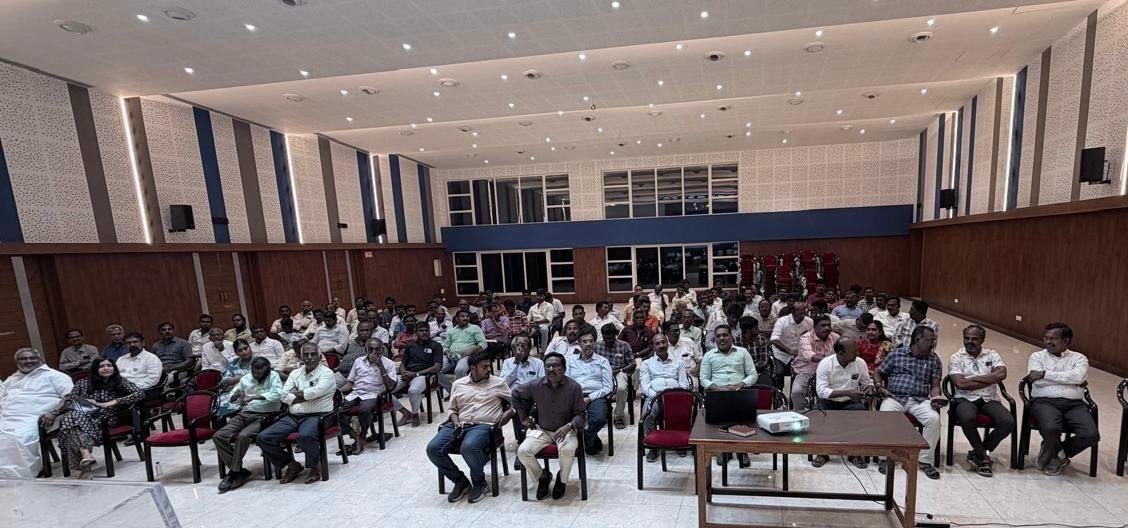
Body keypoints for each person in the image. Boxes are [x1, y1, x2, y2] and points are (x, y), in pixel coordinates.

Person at [427, 350, 514, 503]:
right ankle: (460, 481)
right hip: (459, 424)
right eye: (484, 367)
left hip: (484, 426)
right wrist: (455, 422)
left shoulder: (498, 383)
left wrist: (510, 412)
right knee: (433, 449)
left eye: (489, 366)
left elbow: (516, 402)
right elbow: (452, 409)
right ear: (473, 368)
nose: (489, 369)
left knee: (468, 447)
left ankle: (479, 483)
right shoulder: (458, 384)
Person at [256, 343, 336, 484]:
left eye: (313, 354)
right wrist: (305, 395)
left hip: (318, 415)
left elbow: (316, 392)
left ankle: (314, 467)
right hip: (293, 416)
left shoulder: (327, 373)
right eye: (306, 355)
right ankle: (292, 465)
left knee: (305, 436)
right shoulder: (295, 373)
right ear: (301, 357)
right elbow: (283, 395)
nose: (309, 357)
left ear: (319, 356)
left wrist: (297, 394)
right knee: (263, 437)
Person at [1026, 322, 1099, 476]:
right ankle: (1054, 456)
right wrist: (1070, 379)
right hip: (1045, 401)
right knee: (1051, 428)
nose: (1048, 342)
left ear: (1066, 341)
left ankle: (1057, 453)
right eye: (1046, 338)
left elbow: (1078, 377)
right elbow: (1037, 381)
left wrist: (1045, 374)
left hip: (1075, 404)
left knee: (1091, 435)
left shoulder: (1079, 358)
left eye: (1053, 338)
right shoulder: (1037, 357)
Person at [51, 358, 143, 479]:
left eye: (109, 365)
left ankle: (85, 465)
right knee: (73, 419)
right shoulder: (83, 383)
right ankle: (85, 454)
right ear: (95, 369)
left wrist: (113, 402)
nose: (106, 368)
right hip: (84, 414)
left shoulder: (120, 381)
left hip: (106, 417)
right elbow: (69, 400)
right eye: (102, 366)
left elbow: (140, 394)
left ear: (114, 368)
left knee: (70, 423)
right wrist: (86, 401)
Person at [513, 352, 587, 501]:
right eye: (548, 366)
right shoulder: (535, 385)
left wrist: (569, 426)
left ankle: (562, 480)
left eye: (555, 366)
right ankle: (543, 477)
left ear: (564, 369)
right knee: (523, 451)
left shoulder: (574, 387)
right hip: (543, 430)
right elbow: (515, 393)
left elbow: (581, 414)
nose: (551, 369)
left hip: (566, 431)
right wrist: (523, 418)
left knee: (567, 451)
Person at [876, 326, 944, 480]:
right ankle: (885, 458)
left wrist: (936, 397)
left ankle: (924, 460)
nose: (933, 343)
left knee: (934, 420)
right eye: (930, 340)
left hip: (920, 400)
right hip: (895, 397)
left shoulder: (933, 359)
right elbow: (879, 373)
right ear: (917, 339)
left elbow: (935, 385)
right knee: (885, 416)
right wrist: (879, 386)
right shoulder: (896, 354)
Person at [948, 325, 1014, 477]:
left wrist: (972, 379)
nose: (969, 342)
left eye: (974, 339)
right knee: (967, 417)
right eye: (967, 338)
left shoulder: (992, 354)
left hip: (989, 398)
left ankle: (978, 452)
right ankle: (983, 457)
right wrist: (990, 379)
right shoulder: (956, 357)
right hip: (965, 398)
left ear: (982, 340)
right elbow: (960, 384)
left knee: (1008, 422)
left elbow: (1002, 374)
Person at [0, 348, 74, 478]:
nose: (28, 361)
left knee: (18, 437)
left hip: (38, 418)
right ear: (17, 362)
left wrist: (55, 412)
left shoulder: (55, 376)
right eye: (24, 358)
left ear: (39, 359)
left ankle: (21, 474)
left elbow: (70, 396)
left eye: (32, 358)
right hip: (7, 416)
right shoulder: (12, 379)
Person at [213, 356, 282, 493]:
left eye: (260, 373)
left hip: (266, 415)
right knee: (218, 435)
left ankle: (233, 473)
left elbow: (278, 394)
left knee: (243, 436)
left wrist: (254, 396)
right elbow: (233, 395)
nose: (256, 376)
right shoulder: (246, 378)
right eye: (254, 372)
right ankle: (239, 471)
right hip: (246, 413)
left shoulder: (273, 376)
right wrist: (234, 396)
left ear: (267, 369)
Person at [812, 338, 875, 468]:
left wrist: (869, 388)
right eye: (854, 351)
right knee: (817, 415)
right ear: (841, 353)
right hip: (828, 401)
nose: (857, 353)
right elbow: (821, 392)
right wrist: (847, 392)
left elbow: (867, 382)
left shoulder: (860, 362)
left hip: (850, 402)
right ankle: (822, 452)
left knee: (861, 414)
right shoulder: (826, 364)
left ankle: (854, 453)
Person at [700, 325, 757, 467]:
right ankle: (724, 450)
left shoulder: (743, 352)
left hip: (740, 393)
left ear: (731, 336)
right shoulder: (708, 355)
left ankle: (742, 450)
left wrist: (741, 384)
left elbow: (753, 375)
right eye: (718, 336)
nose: (721, 338)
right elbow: (703, 379)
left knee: (742, 418)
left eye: (725, 335)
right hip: (717, 394)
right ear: (715, 339)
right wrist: (718, 388)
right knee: (721, 421)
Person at [338, 338, 398, 456]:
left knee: (364, 409)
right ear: (366, 349)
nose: (374, 352)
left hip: (374, 394)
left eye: (377, 349)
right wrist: (337, 392)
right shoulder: (358, 361)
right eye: (371, 349)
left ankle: (363, 435)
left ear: (382, 350)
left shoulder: (388, 363)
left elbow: (390, 386)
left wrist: (380, 366)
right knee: (335, 410)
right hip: (356, 393)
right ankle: (356, 437)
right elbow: (350, 382)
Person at [639, 333, 690, 462]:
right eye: (657, 343)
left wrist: (676, 396)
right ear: (653, 347)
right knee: (647, 414)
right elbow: (645, 386)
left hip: (675, 396)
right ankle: (653, 446)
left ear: (667, 344)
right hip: (654, 396)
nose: (661, 345)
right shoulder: (646, 364)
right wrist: (657, 396)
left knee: (682, 412)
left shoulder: (678, 362)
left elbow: (684, 383)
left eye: (663, 342)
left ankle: (679, 443)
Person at [564, 329, 613, 455]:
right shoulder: (570, 360)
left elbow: (608, 387)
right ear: (579, 343)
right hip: (574, 397)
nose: (588, 344)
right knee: (561, 415)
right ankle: (590, 440)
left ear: (594, 343)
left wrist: (590, 398)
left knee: (599, 419)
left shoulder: (602, 361)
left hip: (595, 396)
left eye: (591, 341)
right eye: (584, 341)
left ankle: (587, 437)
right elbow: (566, 381)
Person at [393, 321, 444, 427]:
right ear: (416, 332)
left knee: (413, 390)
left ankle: (415, 414)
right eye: (421, 331)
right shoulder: (410, 345)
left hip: (424, 375)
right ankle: (405, 413)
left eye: (426, 330)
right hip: (407, 374)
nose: (424, 333)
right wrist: (403, 373)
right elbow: (403, 363)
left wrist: (415, 374)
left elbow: (436, 367)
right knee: (385, 389)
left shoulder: (436, 346)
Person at [790, 315, 839, 409]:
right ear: (815, 327)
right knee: (797, 392)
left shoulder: (835, 337)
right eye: (823, 325)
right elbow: (810, 356)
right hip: (806, 371)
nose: (827, 328)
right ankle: (800, 413)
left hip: (828, 372)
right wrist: (830, 359)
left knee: (834, 392)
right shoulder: (805, 338)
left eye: (828, 325)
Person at [594, 323, 634, 430]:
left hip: (619, 371)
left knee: (621, 388)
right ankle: (603, 412)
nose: (608, 341)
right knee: (593, 387)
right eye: (605, 338)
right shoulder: (597, 346)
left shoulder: (624, 345)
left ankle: (619, 416)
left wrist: (620, 370)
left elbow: (632, 363)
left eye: (610, 338)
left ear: (615, 334)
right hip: (601, 373)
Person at [439, 310, 487, 393]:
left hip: (467, 356)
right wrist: (447, 352)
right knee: (436, 370)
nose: (465, 318)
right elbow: (445, 346)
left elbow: (483, 343)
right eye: (462, 316)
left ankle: (462, 393)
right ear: (457, 319)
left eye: (467, 316)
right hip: (451, 356)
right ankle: (452, 391)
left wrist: (470, 351)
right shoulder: (451, 330)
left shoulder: (475, 328)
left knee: (459, 370)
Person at [769, 302, 812, 390]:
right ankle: (778, 393)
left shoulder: (809, 322)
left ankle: (792, 394)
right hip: (781, 353)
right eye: (801, 313)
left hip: (799, 353)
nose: (803, 316)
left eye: (804, 313)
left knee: (798, 374)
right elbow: (774, 340)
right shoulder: (782, 321)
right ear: (793, 312)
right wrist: (789, 351)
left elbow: (811, 337)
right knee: (780, 372)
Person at [527, 289, 557, 355]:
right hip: (534, 325)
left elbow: (548, 319)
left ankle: (544, 350)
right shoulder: (533, 307)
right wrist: (531, 323)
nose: (539, 297)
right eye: (538, 296)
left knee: (544, 330)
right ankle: (527, 351)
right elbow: (527, 319)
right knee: (526, 331)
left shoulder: (549, 306)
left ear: (544, 296)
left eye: (541, 296)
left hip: (544, 324)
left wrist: (537, 322)